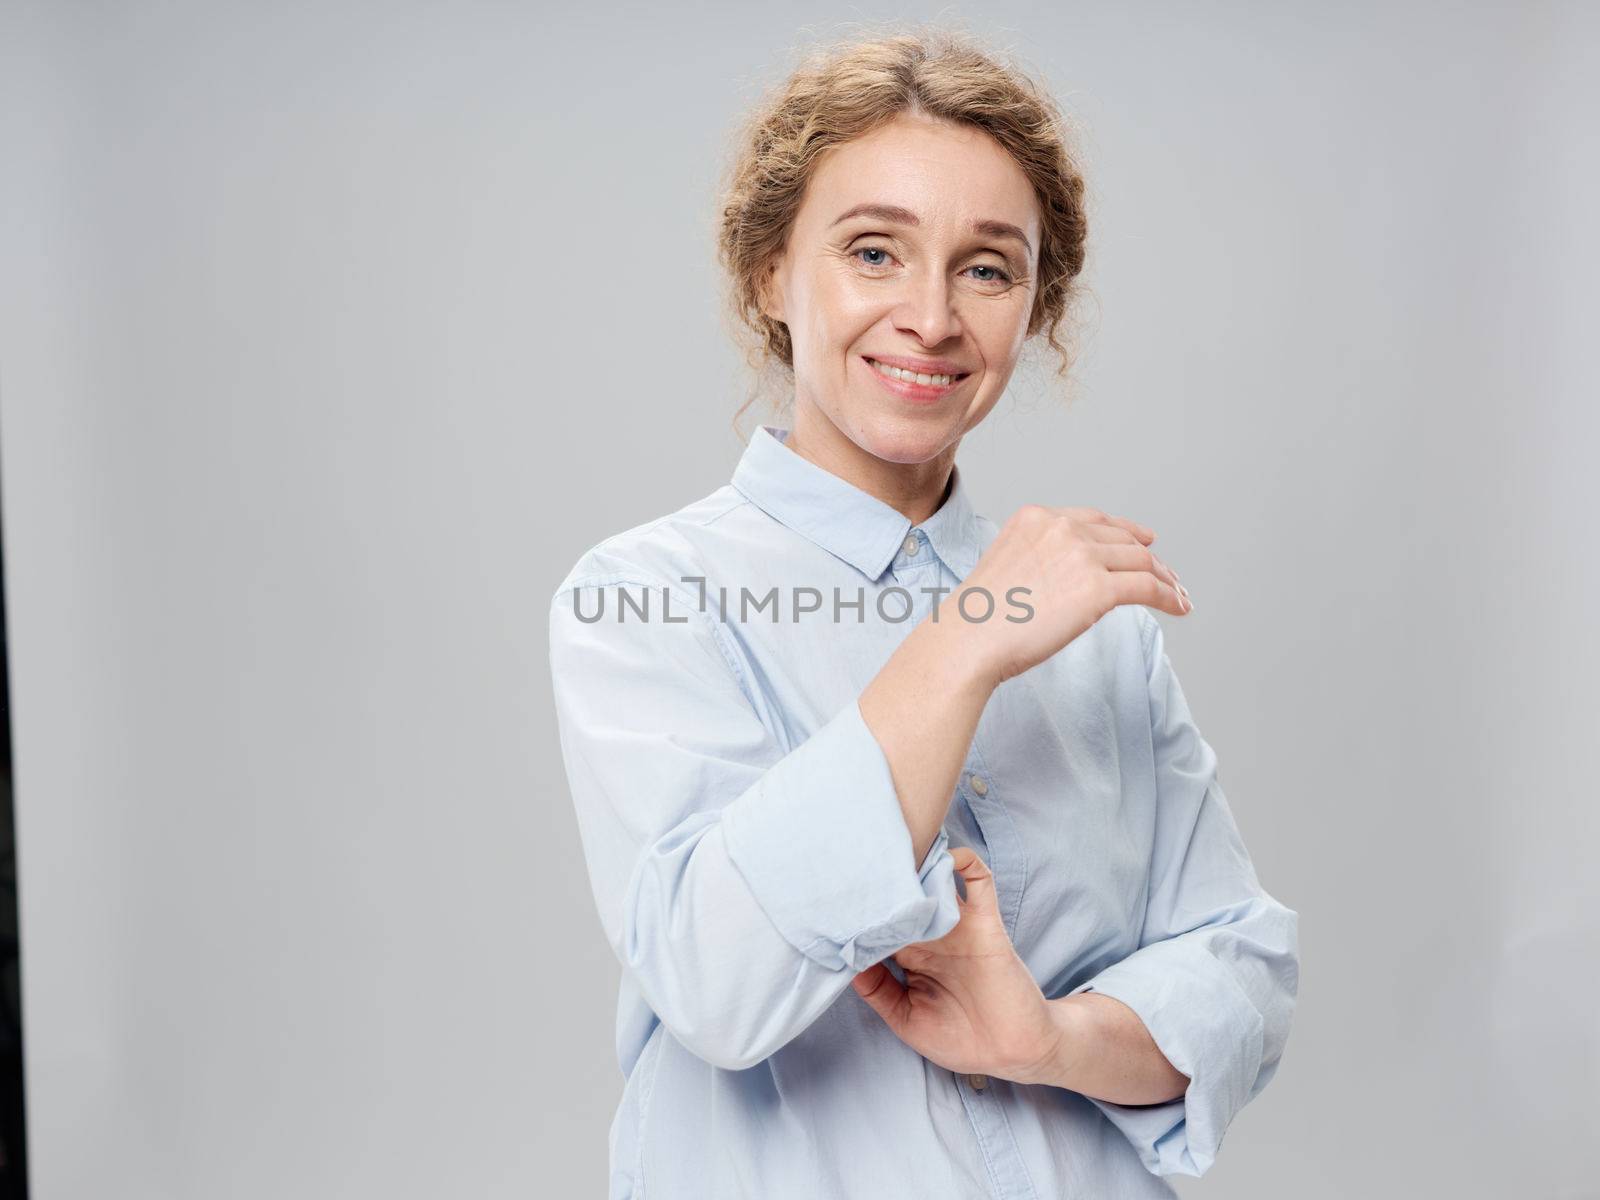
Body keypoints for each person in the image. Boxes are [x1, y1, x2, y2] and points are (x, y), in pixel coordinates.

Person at [548, 27, 1299, 1200]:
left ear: (1034, 305)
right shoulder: (647, 596)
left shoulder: (1099, 625)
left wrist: (1043, 1041)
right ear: (770, 274)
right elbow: (715, 979)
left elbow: (1239, 970)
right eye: (873, 252)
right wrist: (968, 636)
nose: (933, 317)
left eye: (988, 268)